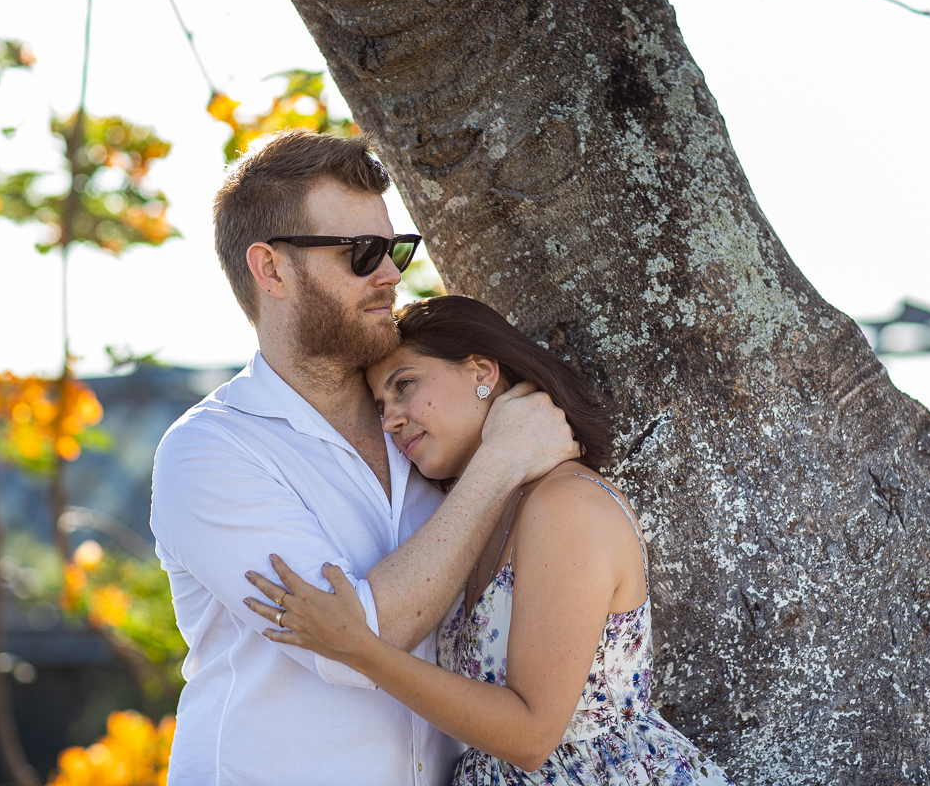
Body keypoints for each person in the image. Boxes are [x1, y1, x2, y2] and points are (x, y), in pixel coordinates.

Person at [150, 130, 578, 786]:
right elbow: (354, 644)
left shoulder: (428, 420)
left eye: (395, 249)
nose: (390, 274)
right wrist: (499, 463)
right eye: (361, 253)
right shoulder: (208, 452)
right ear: (271, 270)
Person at [245, 296, 735, 785]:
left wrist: (360, 649)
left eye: (405, 385)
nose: (390, 419)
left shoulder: (565, 504)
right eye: (381, 406)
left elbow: (530, 735)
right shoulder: (486, 514)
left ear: (481, 371)